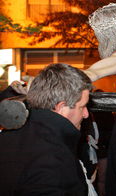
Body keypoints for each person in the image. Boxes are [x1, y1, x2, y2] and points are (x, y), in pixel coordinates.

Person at [0, 63, 93, 196]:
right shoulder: (52, 161)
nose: (86, 114)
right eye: (82, 107)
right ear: (61, 107)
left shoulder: (11, 135)